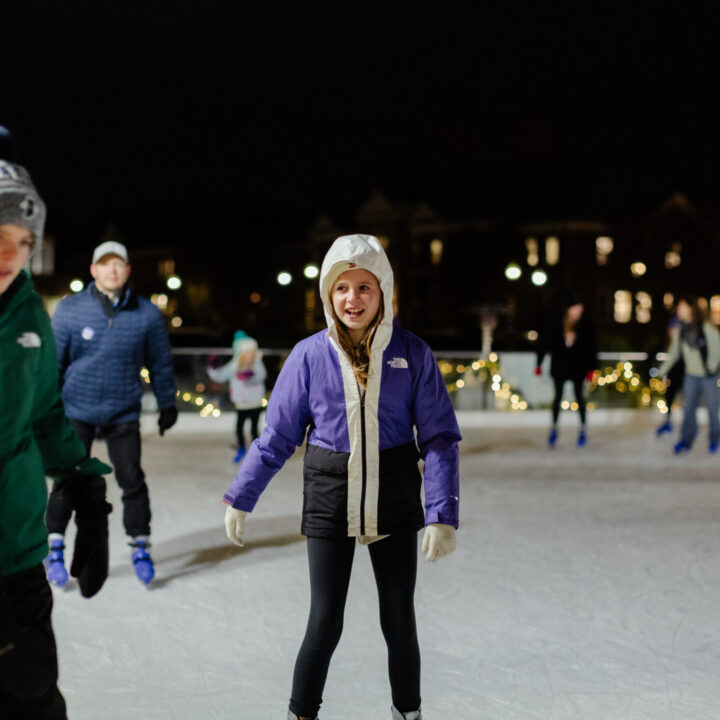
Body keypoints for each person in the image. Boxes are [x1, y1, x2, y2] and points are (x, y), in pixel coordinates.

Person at [223, 234, 461, 720]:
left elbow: (438, 438)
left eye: (365, 288)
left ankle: (407, 715)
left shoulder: (412, 353)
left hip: (393, 492)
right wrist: (240, 497)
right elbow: (277, 437)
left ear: (384, 293)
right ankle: (301, 714)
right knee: (325, 621)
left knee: (399, 620)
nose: (353, 298)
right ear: (328, 296)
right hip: (330, 492)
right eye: (342, 288)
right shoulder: (309, 355)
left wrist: (441, 514)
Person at [1, 133, 112, 719]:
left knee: (34, 697)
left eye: (22, 239)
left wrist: (81, 484)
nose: (10, 253)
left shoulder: (27, 314)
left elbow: (44, 412)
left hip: (15, 551)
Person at [46, 239, 178, 586]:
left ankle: (140, 543)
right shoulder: (70, 309)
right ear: (94, 270)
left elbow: (161, 363)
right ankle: (55, 544)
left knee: (131, 478)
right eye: (105, 264)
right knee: (67, 478)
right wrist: (47, 407)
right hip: (76, 409)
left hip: (123, 411)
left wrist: (168, 402)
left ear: (128, 270)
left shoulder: (147, 313)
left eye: (118, 264)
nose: (112, 270)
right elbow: (53, 364)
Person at [657, 294, 720, 454]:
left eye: (682, 307)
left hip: (709, 376)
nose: (679, 310)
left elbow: (717, 349)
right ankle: (686, 441)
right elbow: (674, 353)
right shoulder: (680, 330)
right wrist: (662, 370)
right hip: (691, 376)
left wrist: (711, 366)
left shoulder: (706, 328)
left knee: (712, 410)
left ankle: (714, 439)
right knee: (688, 410)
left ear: (691, 309)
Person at [535, 292, 597, 448]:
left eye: (580, 309)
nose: (578, 312)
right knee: (558, 398)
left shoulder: (585, 325)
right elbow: (544, 343)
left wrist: (591, 369)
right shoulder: (557, 323)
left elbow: (592, 348)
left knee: (579, 398)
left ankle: (583, 429)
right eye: (576, 308)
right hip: (560, 366)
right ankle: (554, 428)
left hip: (578, 367)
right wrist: (539, 363)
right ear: (570, 309)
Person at [207, 330, 267, 463]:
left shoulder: (257, 364)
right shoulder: (234, 365)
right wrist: (213, 368)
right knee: (239, 428)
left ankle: (255, 452)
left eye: (251, 352)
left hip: (255, 403)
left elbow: (262, 376)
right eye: (246, 352)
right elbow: (220, 376)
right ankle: (241, 447)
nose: (249, 355)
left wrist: (250, 377)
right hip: (241, 403)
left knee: (253, 429)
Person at [656, 308, 685, 436]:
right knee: (670, 395)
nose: (671, 332)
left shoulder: (684, 336)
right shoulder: (672, 344)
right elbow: (672, 357)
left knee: (686, 397)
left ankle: (687, 422)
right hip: (674, 371)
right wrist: (662, 371)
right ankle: (668, 421)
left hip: (685, 371)